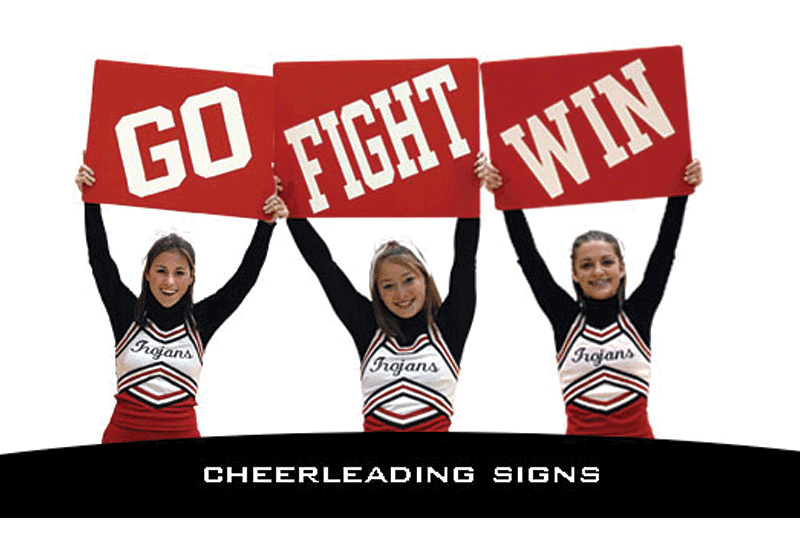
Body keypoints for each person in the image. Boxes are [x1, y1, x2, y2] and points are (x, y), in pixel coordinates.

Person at [478, 157, 703, 438]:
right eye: (586, 265)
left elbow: (664, 252)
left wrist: (681, 191)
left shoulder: (637, 314)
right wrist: (505, 195)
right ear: (574, 274)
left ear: (621, 269)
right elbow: (529, 258)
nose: (598, 271)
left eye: (607, 262)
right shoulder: (565, 318)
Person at [75, 159, 288, 443]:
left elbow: (244, 279)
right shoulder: (126, 313)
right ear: (148, 274)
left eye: (179, 273)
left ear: (191, 278)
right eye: (161, 271)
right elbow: (100, 259)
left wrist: (266, 225)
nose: (170, 282)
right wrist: (91, 199)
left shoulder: (200, 321)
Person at [283, 153, 488, 432]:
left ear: (424, 280)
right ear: (377, 292)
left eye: (408, 280)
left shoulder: (450, 327)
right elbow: (324, 267)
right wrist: (290, 206)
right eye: (388, 285)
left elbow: (465, 258)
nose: (400, 293)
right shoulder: (368, 328)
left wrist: (469, 186)